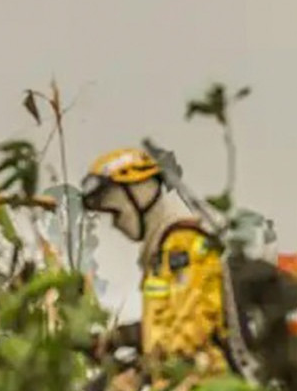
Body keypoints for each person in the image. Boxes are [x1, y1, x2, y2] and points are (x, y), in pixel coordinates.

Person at [81, 147, 231, 385]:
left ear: (137, 195)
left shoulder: (184, 245)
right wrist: (118, 339)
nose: (115, 224)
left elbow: (190, 334)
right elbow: (165, 327)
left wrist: (138, 375)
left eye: (115, 212)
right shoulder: (161, 253)